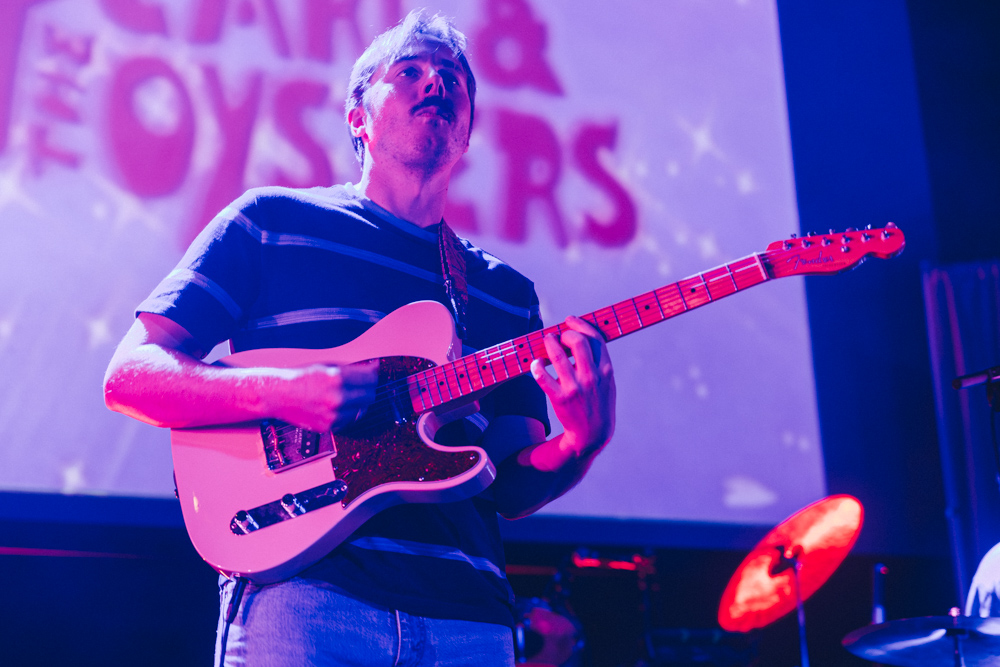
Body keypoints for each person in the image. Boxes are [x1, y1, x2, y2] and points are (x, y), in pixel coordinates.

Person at [104, 10, 615, 667]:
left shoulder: (501, 292)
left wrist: (578, 443)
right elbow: (131, 374)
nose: (437, 82)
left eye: (454, 78)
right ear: (357, 117)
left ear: (466, 132)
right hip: (305, 600)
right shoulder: (271, 222)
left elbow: (511, 485)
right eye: (410, 72)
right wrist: (287, 391)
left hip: (469, 620)